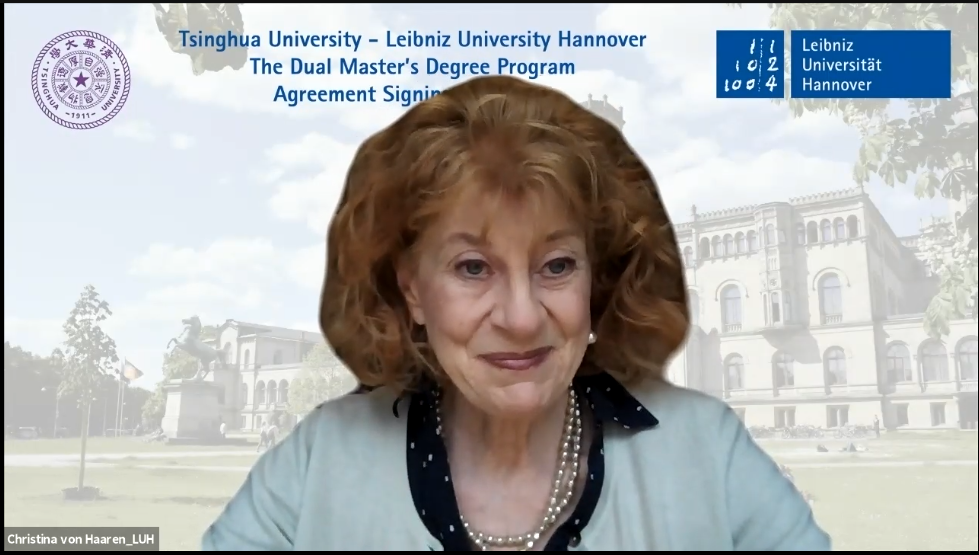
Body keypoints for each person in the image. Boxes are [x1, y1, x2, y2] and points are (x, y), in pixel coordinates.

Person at [201, 76, 831, 551]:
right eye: (473, 268)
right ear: (412, 291)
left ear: (597, 280)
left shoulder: (707, 453)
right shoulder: (319, 463)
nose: (523, 319)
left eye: (556, 265)